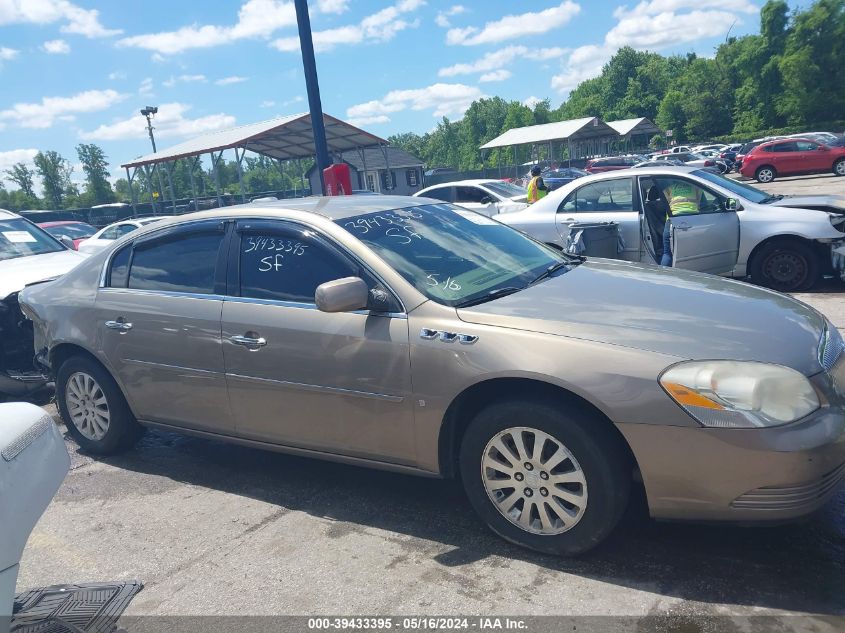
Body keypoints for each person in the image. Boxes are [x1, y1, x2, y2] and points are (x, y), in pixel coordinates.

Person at [660, 179, 701, 267]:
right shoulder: (696, 188)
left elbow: (663, 205)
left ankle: (663, 277)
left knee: (667, 253)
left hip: (672, 221)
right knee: (694, 252)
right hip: (693, 221)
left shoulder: (668, 189)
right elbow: (703, 205)